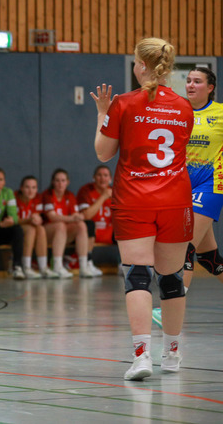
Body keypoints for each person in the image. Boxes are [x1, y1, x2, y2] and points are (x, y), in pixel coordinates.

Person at [91, 37, 194, 380]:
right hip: (175, 200)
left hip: (134, 200)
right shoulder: (184, 107)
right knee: (172, 279)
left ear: (141, 66)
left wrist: (103, 113)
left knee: (137, 275)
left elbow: (103, 153)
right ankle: (172, 354)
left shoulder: (123, 103)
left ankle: (142, 357)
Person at [152, 67, 223, 332]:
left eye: (197, 81)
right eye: (188, 80)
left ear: (210, 88)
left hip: (211, 185)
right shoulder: (178, 111)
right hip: (182, 187)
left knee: (184, 245)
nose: (190, 85)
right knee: (209, 257)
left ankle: (172, 304)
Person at [41, 168, 94, 278]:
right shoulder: (48, 195)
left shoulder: (70, 196)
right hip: (47, 232)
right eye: (57, 180)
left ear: (67, 182)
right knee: (60, 226)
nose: (60, 184)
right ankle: (57, 266)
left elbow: (75, 216)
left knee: (81, 225)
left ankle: (83, 267)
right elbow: (52, 217)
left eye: (63, 180)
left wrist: (79, 217)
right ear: (53, 182)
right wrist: (72, 218)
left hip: (63, 233)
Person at [15, 175, 58, 279]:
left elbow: (38, 218)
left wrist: (37, 219)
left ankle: (43, 268)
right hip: (14, 229)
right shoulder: (15, 197)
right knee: (31, 230)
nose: (31, 191)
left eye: (33, 187)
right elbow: (14, 221)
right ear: (21, 188)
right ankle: (26, 267)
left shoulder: (38, 198)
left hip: (30, 227)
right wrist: (29, 220)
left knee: (40, 229)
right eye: (27, 187)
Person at [77, 165, 115, 276]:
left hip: (108, 231)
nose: (102, 178)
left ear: (110, 179)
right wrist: (103, 197)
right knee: (89, 224)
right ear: (93, 177)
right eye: (99, 175)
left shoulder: (115, 192)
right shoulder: (86, 190)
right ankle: (88, 262)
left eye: (105, 175)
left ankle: (123, 263)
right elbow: (86, 215)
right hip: (90, 231)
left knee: (125, 227)